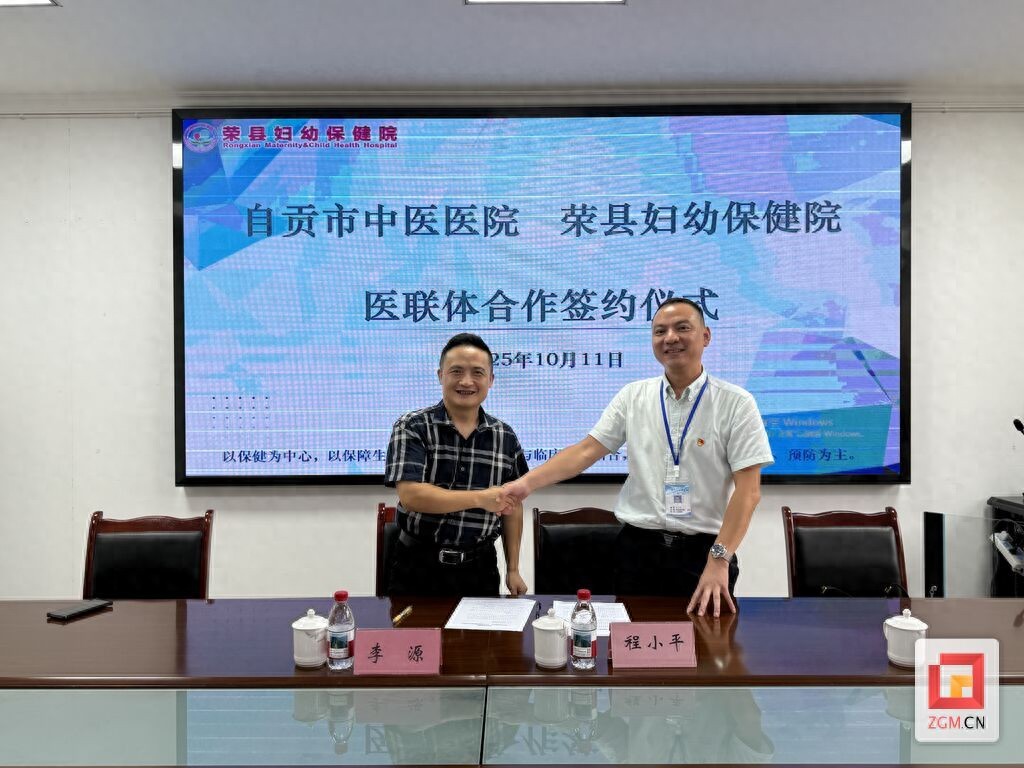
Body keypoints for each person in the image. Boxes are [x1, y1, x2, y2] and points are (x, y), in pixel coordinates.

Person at [503, 298, 773, 615]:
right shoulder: (634, 396)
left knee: (707, 643)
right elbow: (586, 451)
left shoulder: (737, 403)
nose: (670, 338)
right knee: (635, 641)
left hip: (705, 553)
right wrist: (525, 484)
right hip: (638, 551)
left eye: (682, 328)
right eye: (660, 331)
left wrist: (719, 559)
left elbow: (748, 492)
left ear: (705, 336)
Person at [384, 332, 529, 597]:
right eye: (456, 371)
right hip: (418, 566)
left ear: (491, 380)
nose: (466, 381)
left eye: (477, 373)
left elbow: (514, 505)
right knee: (414, 628)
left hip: (480, 568)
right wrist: (481, 498)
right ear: (440, 375)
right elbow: (412, 496)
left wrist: (513, 568)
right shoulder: (413, 426)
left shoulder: (505, 436)